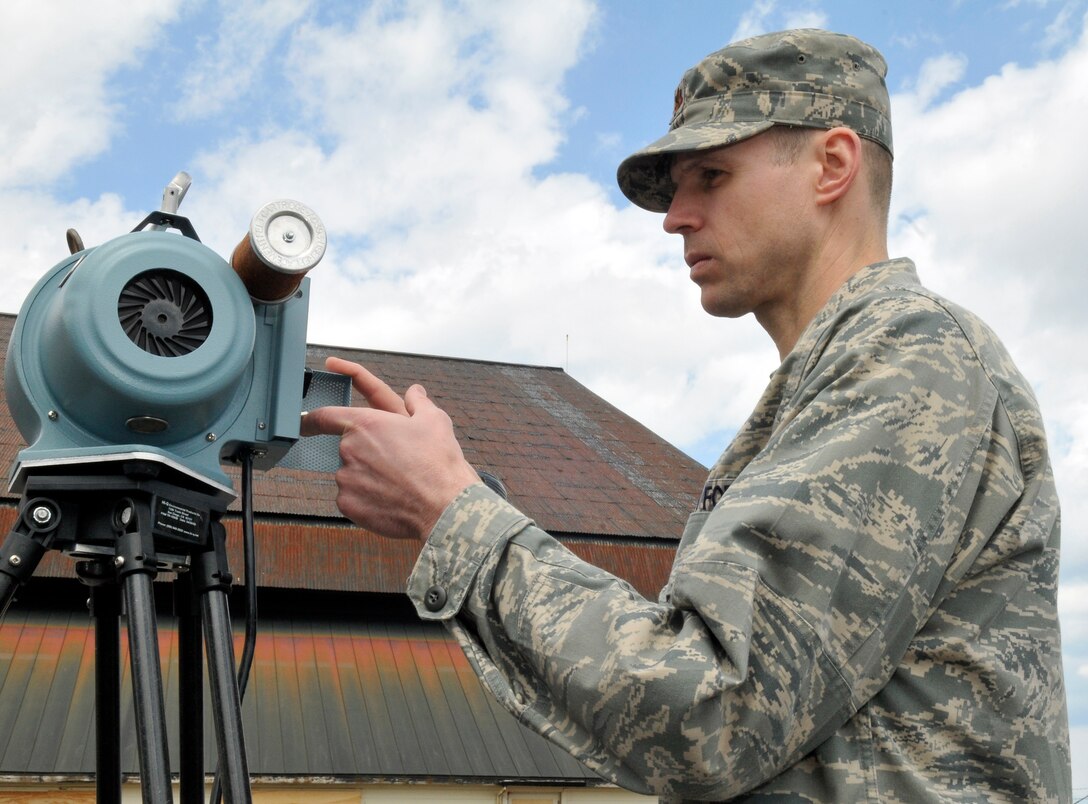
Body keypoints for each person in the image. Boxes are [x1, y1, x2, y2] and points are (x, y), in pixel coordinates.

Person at [300, 28, 1071, 802]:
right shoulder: (834, 379)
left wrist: (450, 508)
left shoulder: (909, 353)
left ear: (833, 166)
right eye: (675, 188)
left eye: (712, 174)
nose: (675, 216)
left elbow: (714, 715)